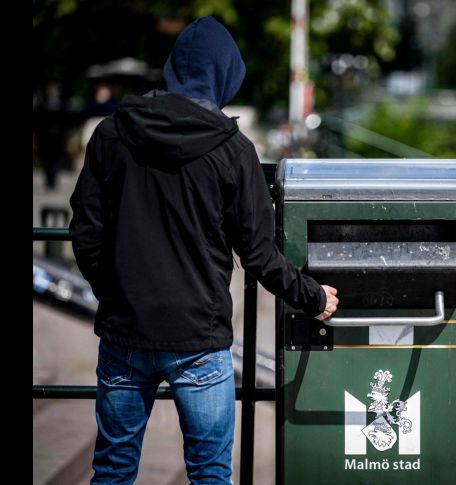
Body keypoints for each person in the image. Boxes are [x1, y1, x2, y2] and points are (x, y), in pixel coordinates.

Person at [69, 17, 339, 483]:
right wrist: (313, 297)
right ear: (226, 75)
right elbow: (259, 254)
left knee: (112, 469)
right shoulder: (233, 150)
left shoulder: (111, 135)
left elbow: (86, 231)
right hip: (199, 338)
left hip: (125, 333)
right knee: (210, 474)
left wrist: (115, 292)